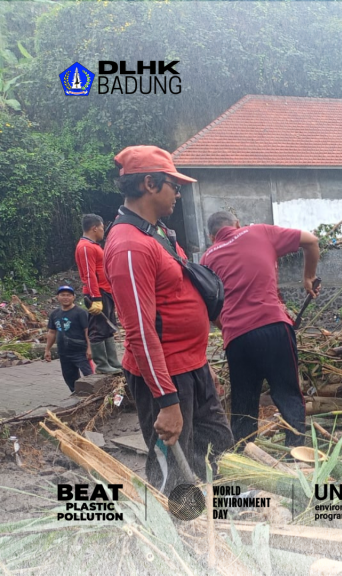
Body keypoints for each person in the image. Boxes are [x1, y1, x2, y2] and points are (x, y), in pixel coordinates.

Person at [104, 145, 233, 492]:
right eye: (173, 185)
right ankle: (175, 534)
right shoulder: (129, 246)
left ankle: (218, 524)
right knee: (174, 471)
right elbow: (140, 332)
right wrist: (167, 401)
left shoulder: (156, 232)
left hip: (191, 368)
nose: (178, 192)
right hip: (167, 377)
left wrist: (201, 369)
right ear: (149, 183)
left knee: (219, 447)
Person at [200, 211, 319, 447]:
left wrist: (229, 330)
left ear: (211, 236)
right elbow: (312, 241)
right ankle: (295, 454)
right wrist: (308, 277)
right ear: (237, 224)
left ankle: (246, 457)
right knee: (287, 393)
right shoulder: (259, 231)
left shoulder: (206, 259)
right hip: (274, 326)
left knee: (244, 403)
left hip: (237, 338)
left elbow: (210, 308)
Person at [75, 213, 122, 374]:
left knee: (108, 326)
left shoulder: (93, 245)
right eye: (102, 228)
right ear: (94, 228)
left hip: (105, 291)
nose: (103, 231)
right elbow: (89, 274)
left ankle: (113, 361)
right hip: (97, 293)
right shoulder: (85, 247)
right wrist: (95, 297)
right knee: (98, 328)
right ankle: (102, 365)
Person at [44, 286, 93, 392]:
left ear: (73, 297)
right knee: (69, 377)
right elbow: (52, 332)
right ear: (57, 297)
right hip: (64, 352)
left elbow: (87, 331)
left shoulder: (80, 312)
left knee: (89, 375)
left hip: (80, 351)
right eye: (62, 295)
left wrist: (90, 348)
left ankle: (94, 394)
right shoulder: (55, 314)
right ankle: (77, 396)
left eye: (68, 295)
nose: (65, 297)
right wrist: (47, 349)